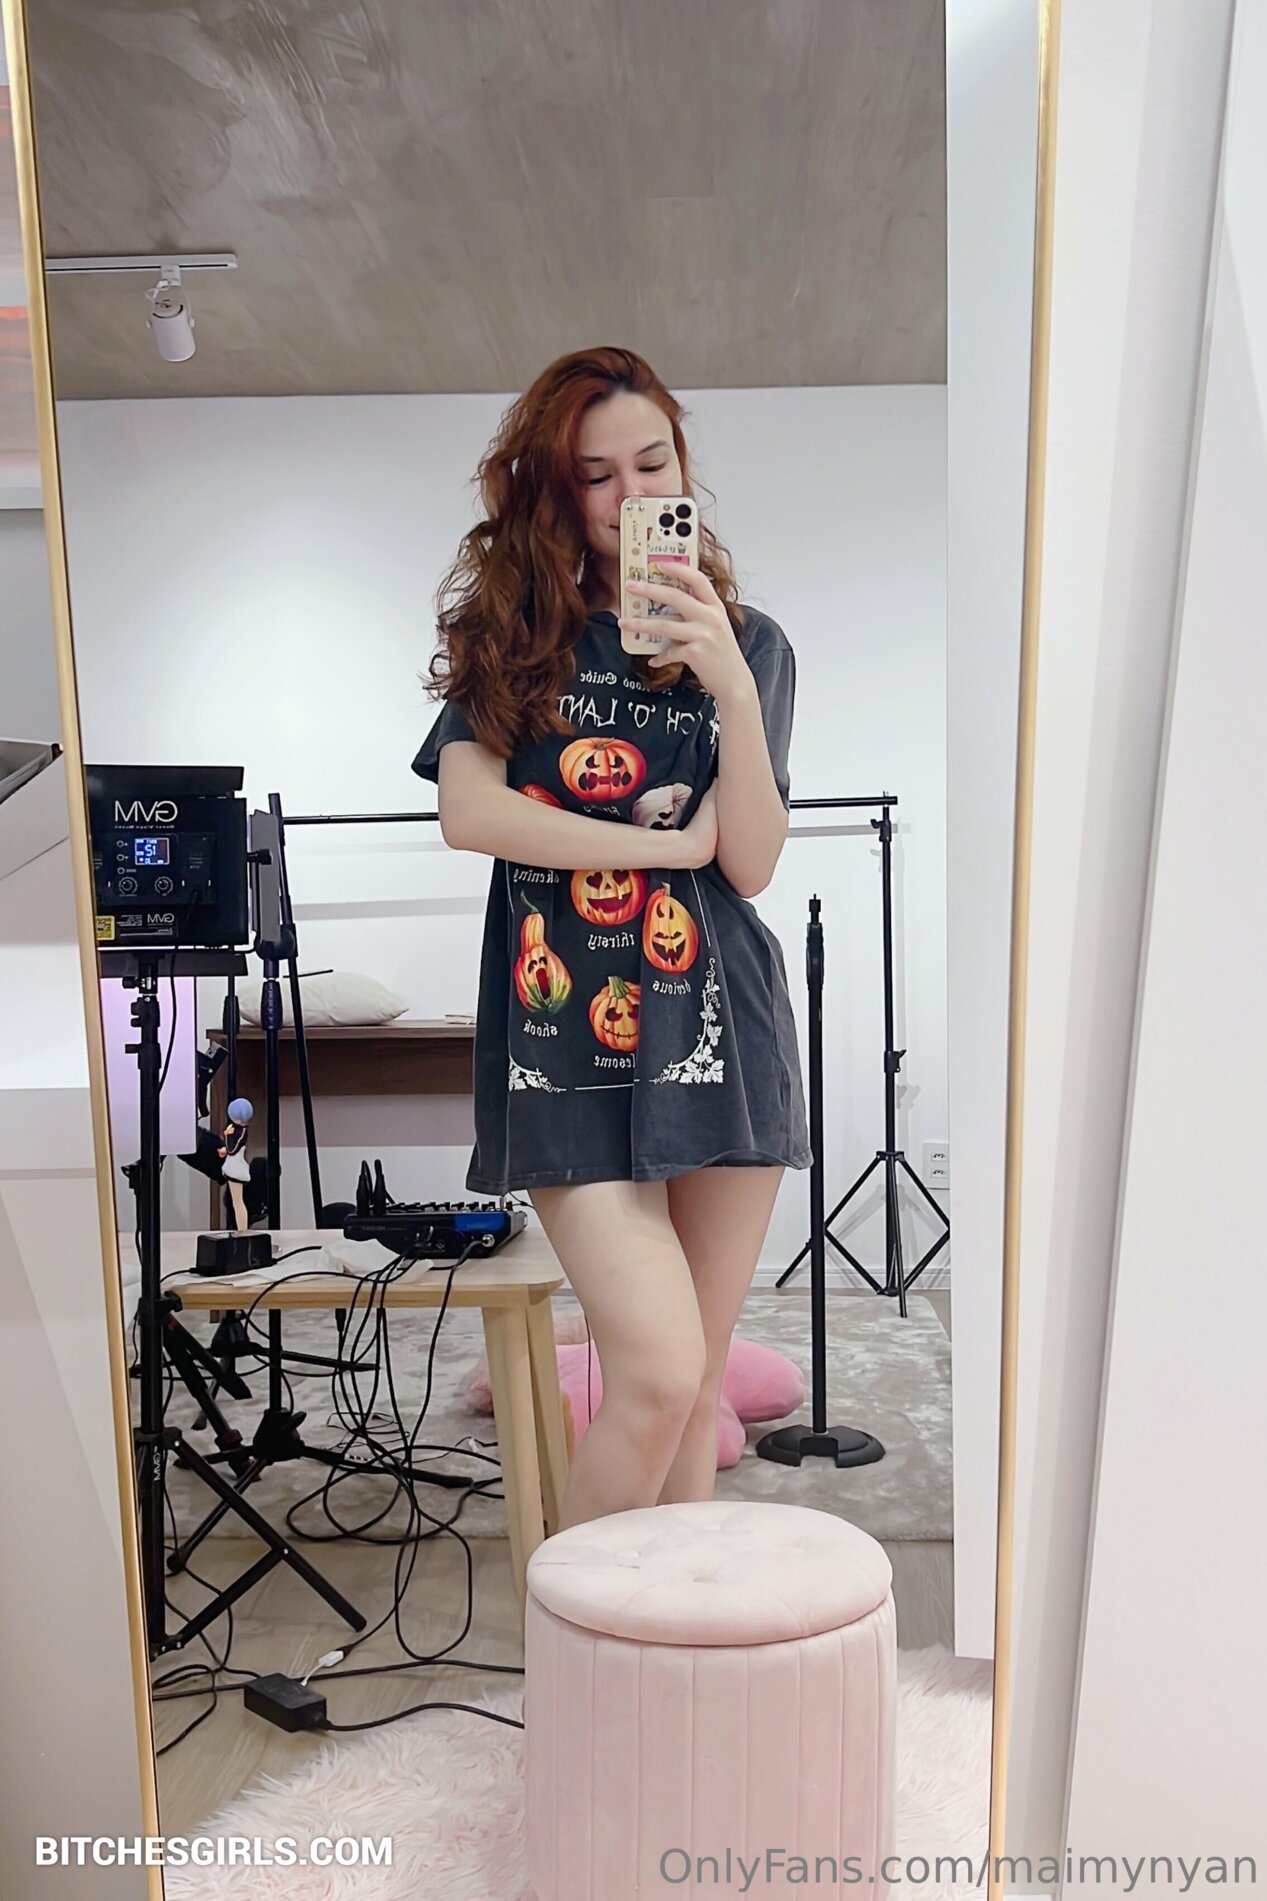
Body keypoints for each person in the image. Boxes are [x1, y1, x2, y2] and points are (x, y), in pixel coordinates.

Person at [412, 345, 809, 1531]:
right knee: (654, 1372)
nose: (632, 495)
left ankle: (664, 1631)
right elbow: (470, 813)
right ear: (554, 490)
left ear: (684, 466)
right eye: (596, 475)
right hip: (561, 1035)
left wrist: (729, 685)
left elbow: (749, 859)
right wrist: (663, 849)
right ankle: (569, 1635)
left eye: (653, 462)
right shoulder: (514, 633)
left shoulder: (751, 644)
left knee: (695, 1387)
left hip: (720, 1025)